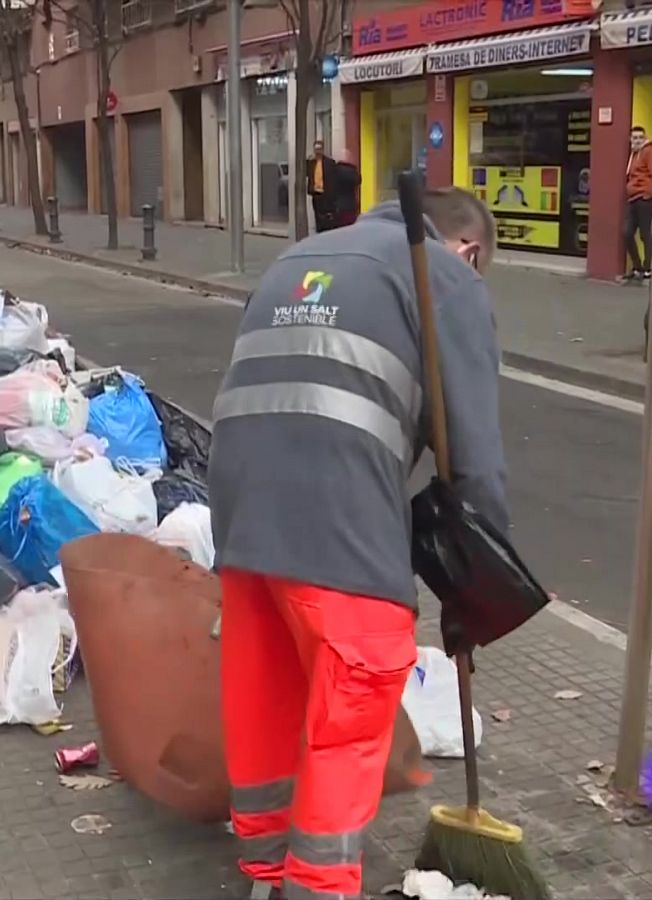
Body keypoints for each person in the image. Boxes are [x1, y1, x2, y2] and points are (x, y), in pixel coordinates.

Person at [209, 187, 509, 900]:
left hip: (240, 517)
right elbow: (472, 456)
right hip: (338, 520)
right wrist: (481, 581)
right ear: (468, 248)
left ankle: (266, 869)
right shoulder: (444, 275)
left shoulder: (301, 254)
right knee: (352, 700)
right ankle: (317, 885)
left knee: (268, 691)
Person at [624, 125, 652, 282]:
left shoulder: (648, 151)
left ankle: (648, 268)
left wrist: (648, 194)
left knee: (645, 234)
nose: (637, 140)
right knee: (627, 233)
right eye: (635, 138)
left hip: (643, 198)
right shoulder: (633, 154)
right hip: (632, 199)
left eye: (640, 138)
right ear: (630, 139)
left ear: (644, 138)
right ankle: (637, 267)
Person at [306, 139, 335, 232]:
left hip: (325, 193)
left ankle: (325, 230)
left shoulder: (329, 162)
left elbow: (333, 178)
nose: (317, 151)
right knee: (317, 214)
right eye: (316, 149)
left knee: (325, 215)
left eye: (319, 149)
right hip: (315, 193)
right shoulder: (311, 162)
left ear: (323, 150)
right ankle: (318, 230)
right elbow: (307, 174)